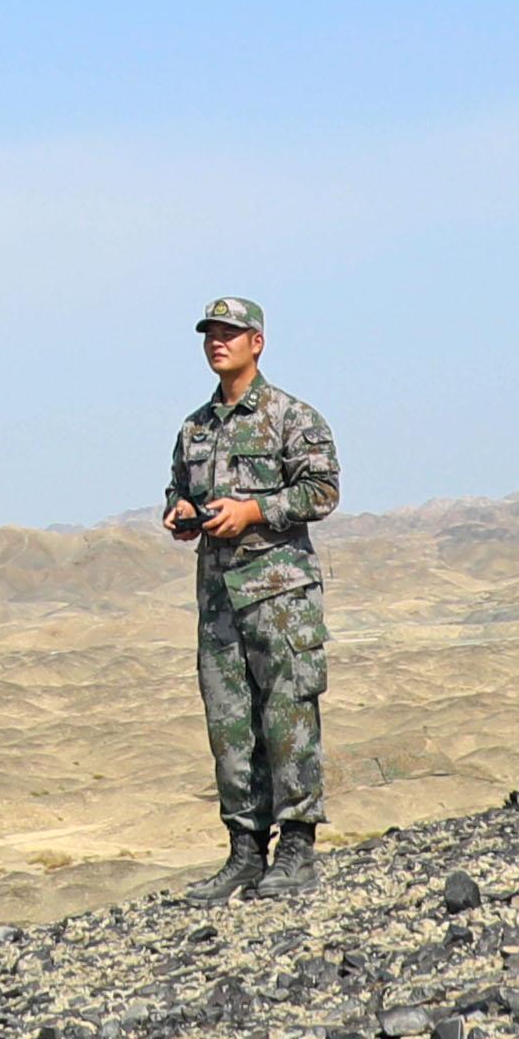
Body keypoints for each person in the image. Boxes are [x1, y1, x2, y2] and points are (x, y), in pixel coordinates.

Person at [164, 295, 341, 903]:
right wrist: (181, 511)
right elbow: (178, 487)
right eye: (210, 334)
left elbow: (322, 490)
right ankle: (244, 852)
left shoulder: (292, 417)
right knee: (229, 723)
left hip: (279, 595)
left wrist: (254, 512)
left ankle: (297, 849)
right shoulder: (195, 428)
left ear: (256, 342)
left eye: (230, 333)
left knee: (288, 716)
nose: (218, 342)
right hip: (219, 600)